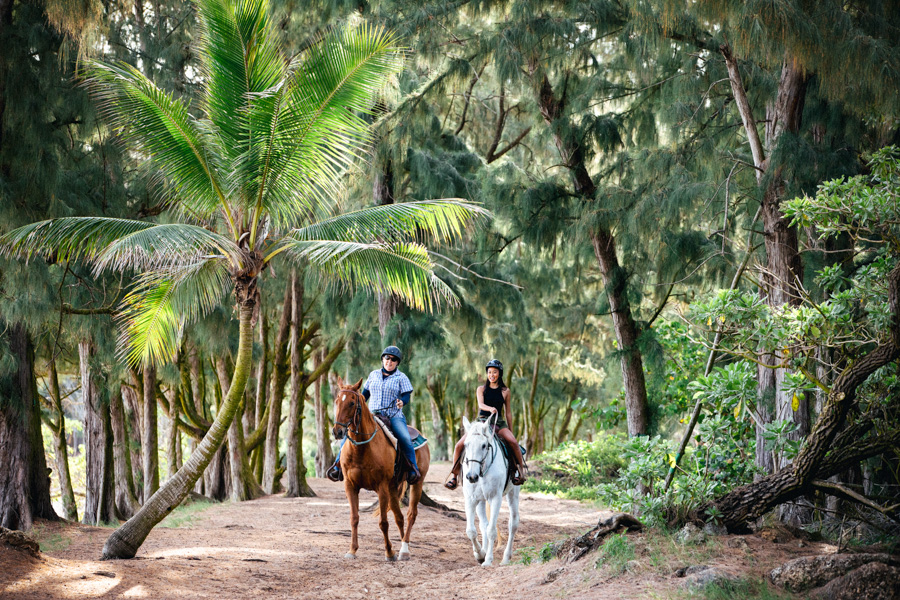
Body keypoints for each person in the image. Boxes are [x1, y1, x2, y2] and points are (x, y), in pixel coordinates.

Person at [327, 345, 422, 484]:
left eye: (393, 360)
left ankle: (412, 469)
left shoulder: (402, 377)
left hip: (393, 415)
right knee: (348, 435)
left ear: (397, 363)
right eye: (387, 358)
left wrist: (402, 401)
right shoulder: (373, 375)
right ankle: (337, 466)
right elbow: (365, 394)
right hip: (373, 415)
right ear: (383, 359)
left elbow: (406, 395)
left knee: (404, 437)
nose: (389, 361)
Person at [445, 359, 527, 490]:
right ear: (487, 374)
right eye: (489, 372)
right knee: (459, 445)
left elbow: (508, 413)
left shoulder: (506, 391)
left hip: (498, 422)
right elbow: (480, 405)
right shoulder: (481, 389)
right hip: (481, 422)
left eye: (495, 372)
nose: (492, 375)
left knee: (513, 443)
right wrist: (490, 409)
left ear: (499, 374)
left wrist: (510, 430)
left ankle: (520, 473)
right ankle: (454, 477)